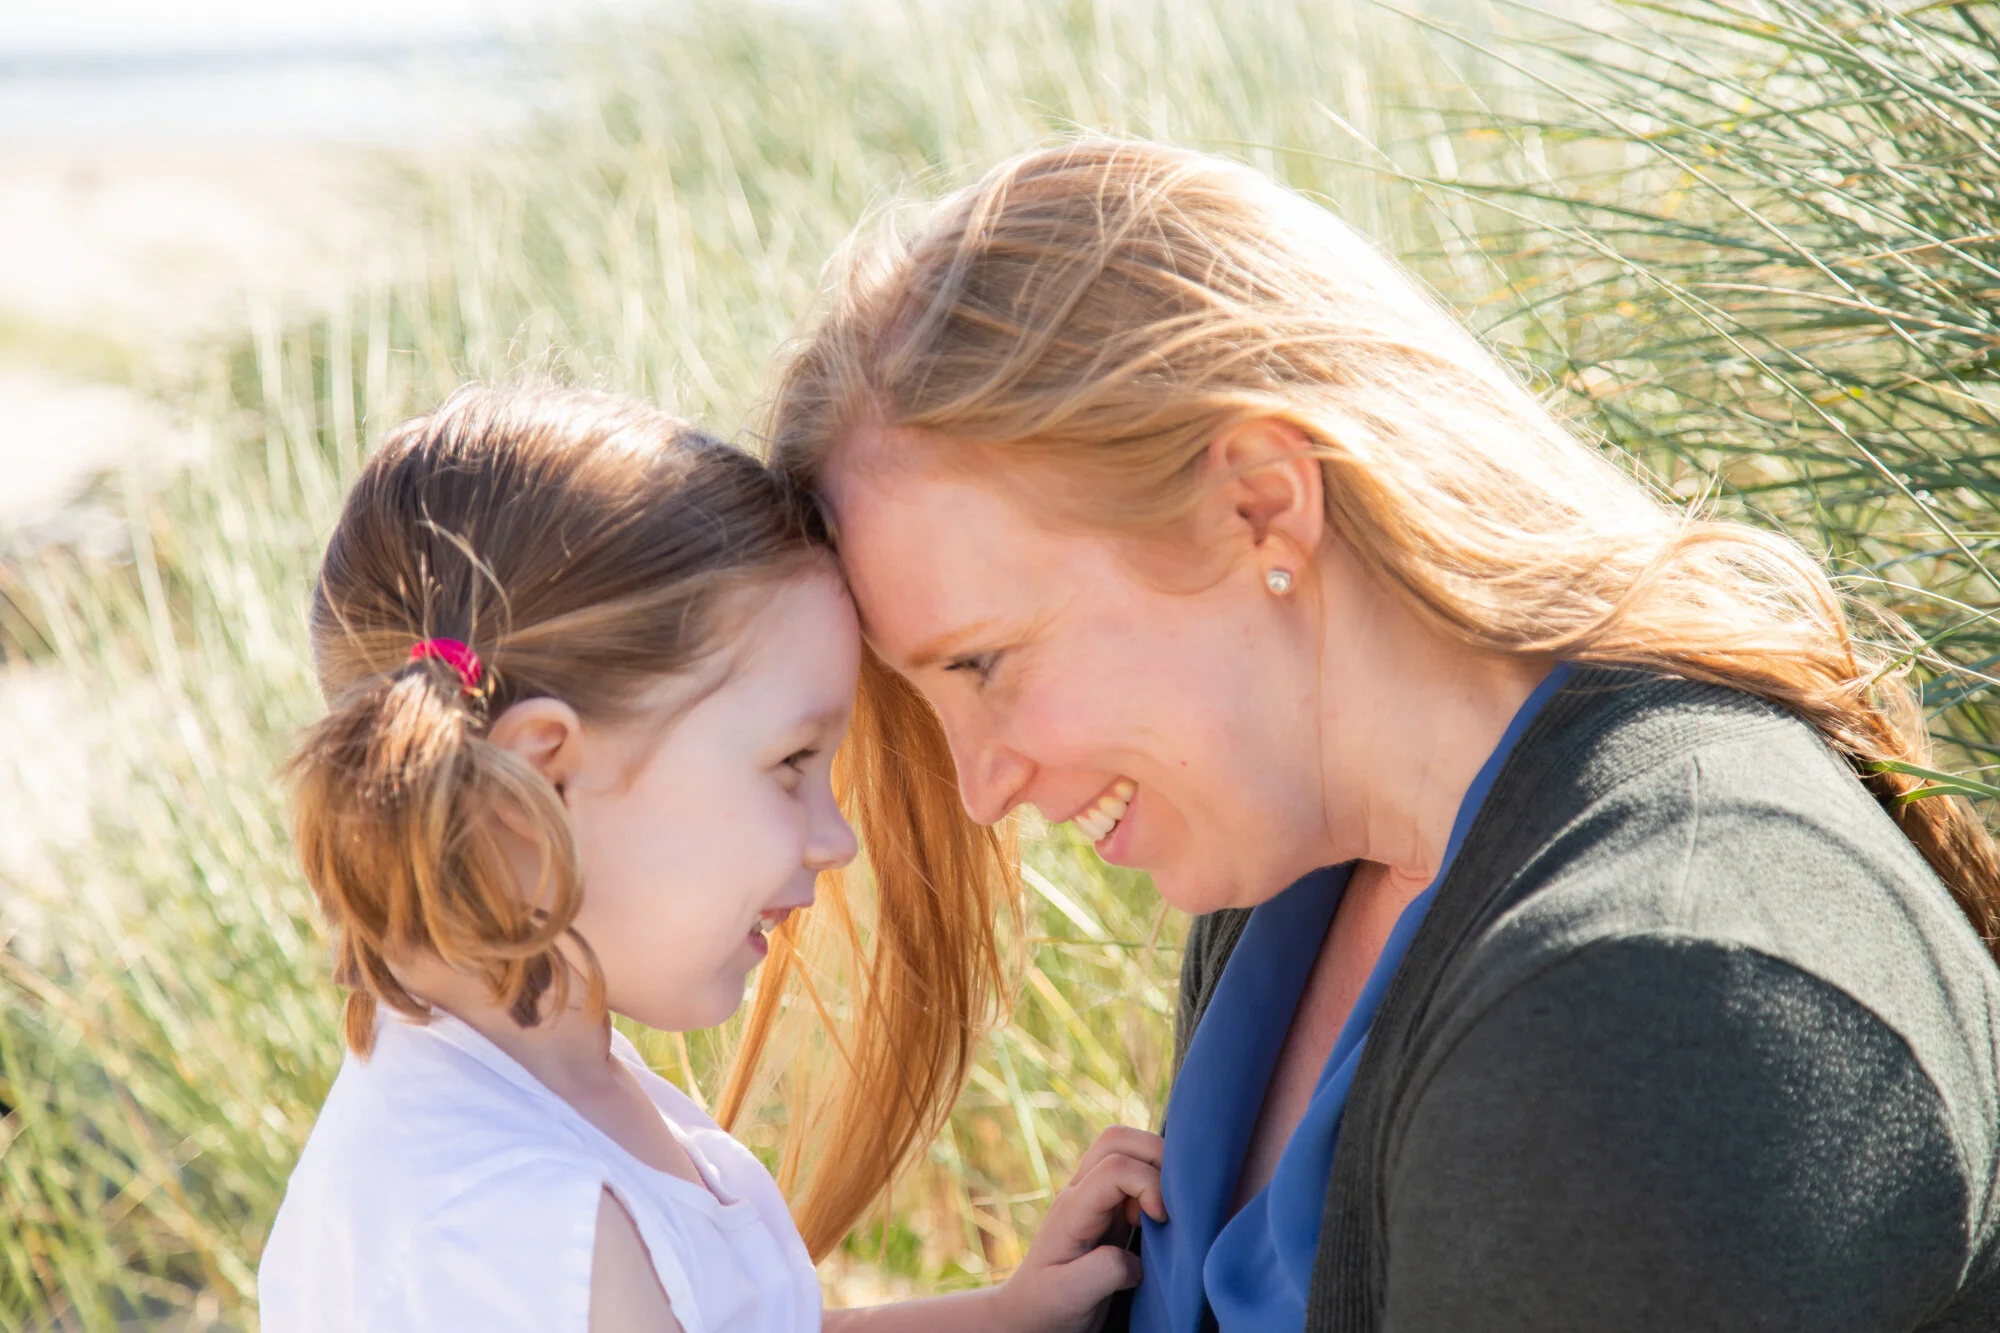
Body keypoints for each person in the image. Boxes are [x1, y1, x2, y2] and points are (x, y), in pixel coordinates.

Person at [764, 138, 2000, 1331]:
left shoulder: (1650, 999)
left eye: (981, 662)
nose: (982, 788)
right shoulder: (1298, 877)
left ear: (1259, 504)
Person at [258, 384, 1164, 1333]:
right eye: (789, 764)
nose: (835, 837)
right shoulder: (520, 1235)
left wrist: (1006, 1314)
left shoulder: (539, 1090)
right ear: (545, 779)